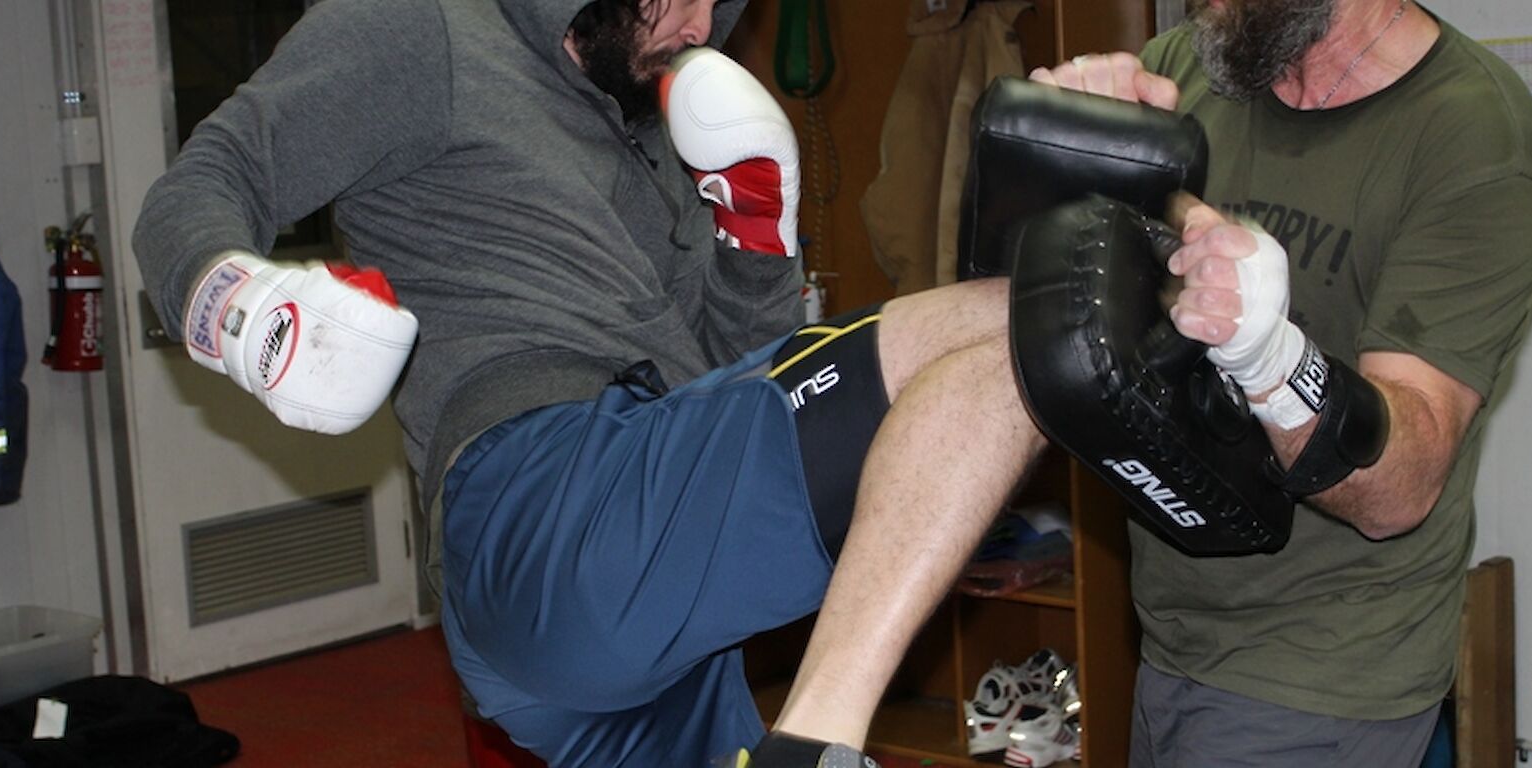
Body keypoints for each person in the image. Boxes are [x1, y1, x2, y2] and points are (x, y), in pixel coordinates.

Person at [132, 0, 1064, 765]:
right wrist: (236, 305)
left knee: (1008, 350)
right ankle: (816, 742)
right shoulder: (423, 30)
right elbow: (209, 178)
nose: (702, 25)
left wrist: (756, 244)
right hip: (539, 502)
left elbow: (741, 381)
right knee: (1019, 325)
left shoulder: (660, 127)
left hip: (654, 610)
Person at [1030, 0, 1532, 765]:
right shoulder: (1195, 65)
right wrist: (1065, 151)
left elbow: (1402, 485)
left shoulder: (1476, 139)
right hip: (1173, 639)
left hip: (1323, 670)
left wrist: (1271, 362)